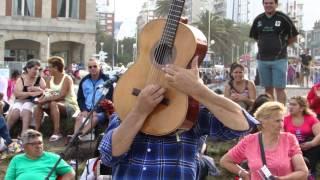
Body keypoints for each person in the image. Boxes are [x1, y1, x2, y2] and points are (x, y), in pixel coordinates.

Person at [99, 57, 259, 179]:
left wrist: (199, 90)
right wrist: (140, 111)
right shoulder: (128, 106)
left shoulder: (193, 111)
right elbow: (107, 156)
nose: (164, 74)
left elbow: (243, 124)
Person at [220, 101, 308, 179]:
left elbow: (303, 172)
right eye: (277, 121)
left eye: (282, 120)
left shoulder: (289, 139)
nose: (281, 125)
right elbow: (225, 161)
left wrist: (282, 179)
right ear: (263, 122)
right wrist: (243, 174)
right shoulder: (249, 141)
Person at [249, 0, 299, 104]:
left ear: (276, 4)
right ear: (263, 4)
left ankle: (280, 114)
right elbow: (255, 37)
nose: (268, 5)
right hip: (262, 60)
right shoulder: (258, 19)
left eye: (271, 3)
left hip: (279, 59)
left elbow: (293, 37)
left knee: (279, 88)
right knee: (268, 89)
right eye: (266, 3)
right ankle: (271, 112)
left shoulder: (283, 18)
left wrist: (282, 46)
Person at [34, 56, 79, 142]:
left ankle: (56, 132)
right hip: (55, 106)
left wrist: (46, 99)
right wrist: (40, 100)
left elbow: (62, 95)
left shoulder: (67, 78)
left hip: (70, 106)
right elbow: (46, 93)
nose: (48, 69)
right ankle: (36, 132)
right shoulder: (50, 79)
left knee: (53, 103)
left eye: (50, 67)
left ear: (56, 68)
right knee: (39, 105)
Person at [5, 129, 75, 180]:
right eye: (33, 144)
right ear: (25, 146)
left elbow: (70, 172)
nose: (38, 146)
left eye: (40, 143)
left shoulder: (53, 158)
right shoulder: (17, 159)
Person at [72, 58, 113, 141]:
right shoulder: (84, 81)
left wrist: (97, 110)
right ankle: (74, 137)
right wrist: (83, 110)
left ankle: (79, 136)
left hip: (101, 111)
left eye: (95, 66)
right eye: (90, 67)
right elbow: (80, 98)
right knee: (79, 117)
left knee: (95, 118)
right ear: (88, 69)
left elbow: (109, 99)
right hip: (87, 109)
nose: (92, 68)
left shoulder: (107, 81)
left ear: (99, 67)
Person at [6, 59, 46, 136]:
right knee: (16, 109)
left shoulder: (40, 79)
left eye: (38, 69)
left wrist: (37, 90)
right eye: (35, 69)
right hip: (19, 101)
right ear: (28, 69)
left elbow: (44, 93)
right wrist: (31, 93)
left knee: (26, 107)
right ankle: (6, 131)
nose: (37, 71)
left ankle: (23, 134)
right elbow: (17, 94)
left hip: (33, 103)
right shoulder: (21, 79)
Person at [284, 96, 320, 177]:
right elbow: (281, 136)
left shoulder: (311, 119)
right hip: (292, 148)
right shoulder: (285, 119)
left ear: (301, 108)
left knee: (316, 144)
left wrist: (311, 143)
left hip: (308, 147)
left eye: (293, 104)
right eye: (289, 104)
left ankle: (311, 172)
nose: (290, 106)